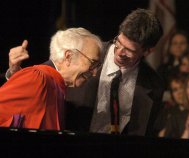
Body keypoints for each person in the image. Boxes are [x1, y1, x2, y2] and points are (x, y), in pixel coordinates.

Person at [6, 8, 164, 136]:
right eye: (119, 42)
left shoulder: (154, 85)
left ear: (147, 51)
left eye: (129, 50)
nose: (120, 52)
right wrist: (15, 73)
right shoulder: (87, 52)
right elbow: (46, 76)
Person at [0, 27, 102, 130]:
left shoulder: (56, 85)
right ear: (68, 57)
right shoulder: (38, 78)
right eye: (92, 63)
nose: (94, 73)